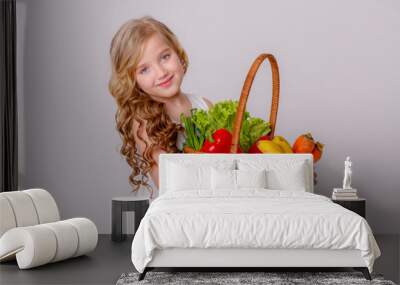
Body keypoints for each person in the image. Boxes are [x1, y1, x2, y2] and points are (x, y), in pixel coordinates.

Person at [108, 16, 213, 197]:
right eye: (144, 69)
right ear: (132, 80)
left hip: (214, 205)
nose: (161, 72)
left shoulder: (204, 104)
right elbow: (168, 184)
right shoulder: (144, 121)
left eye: (165, 57)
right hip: (177, 213)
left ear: (178, 52)